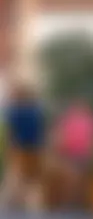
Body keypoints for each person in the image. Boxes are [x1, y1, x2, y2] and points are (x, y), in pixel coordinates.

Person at [1, 83, 48, 213]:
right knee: (33, 181)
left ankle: (5, 207)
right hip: (36, 150)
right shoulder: (36, 112)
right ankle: (35, 209)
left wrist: (9, 150)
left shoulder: (14, 112)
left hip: (20, 150)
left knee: (14, 179)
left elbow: (11, 134)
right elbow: (41, 132)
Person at [52, 98, 93, 210]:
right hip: (69, 153)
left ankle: (79, 201)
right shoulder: (67, 119)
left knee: (82, 179)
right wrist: (58, 148)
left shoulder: (92, 120)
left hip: (85, 154)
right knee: (72, 178)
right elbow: (59, 134)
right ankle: (70, 201)